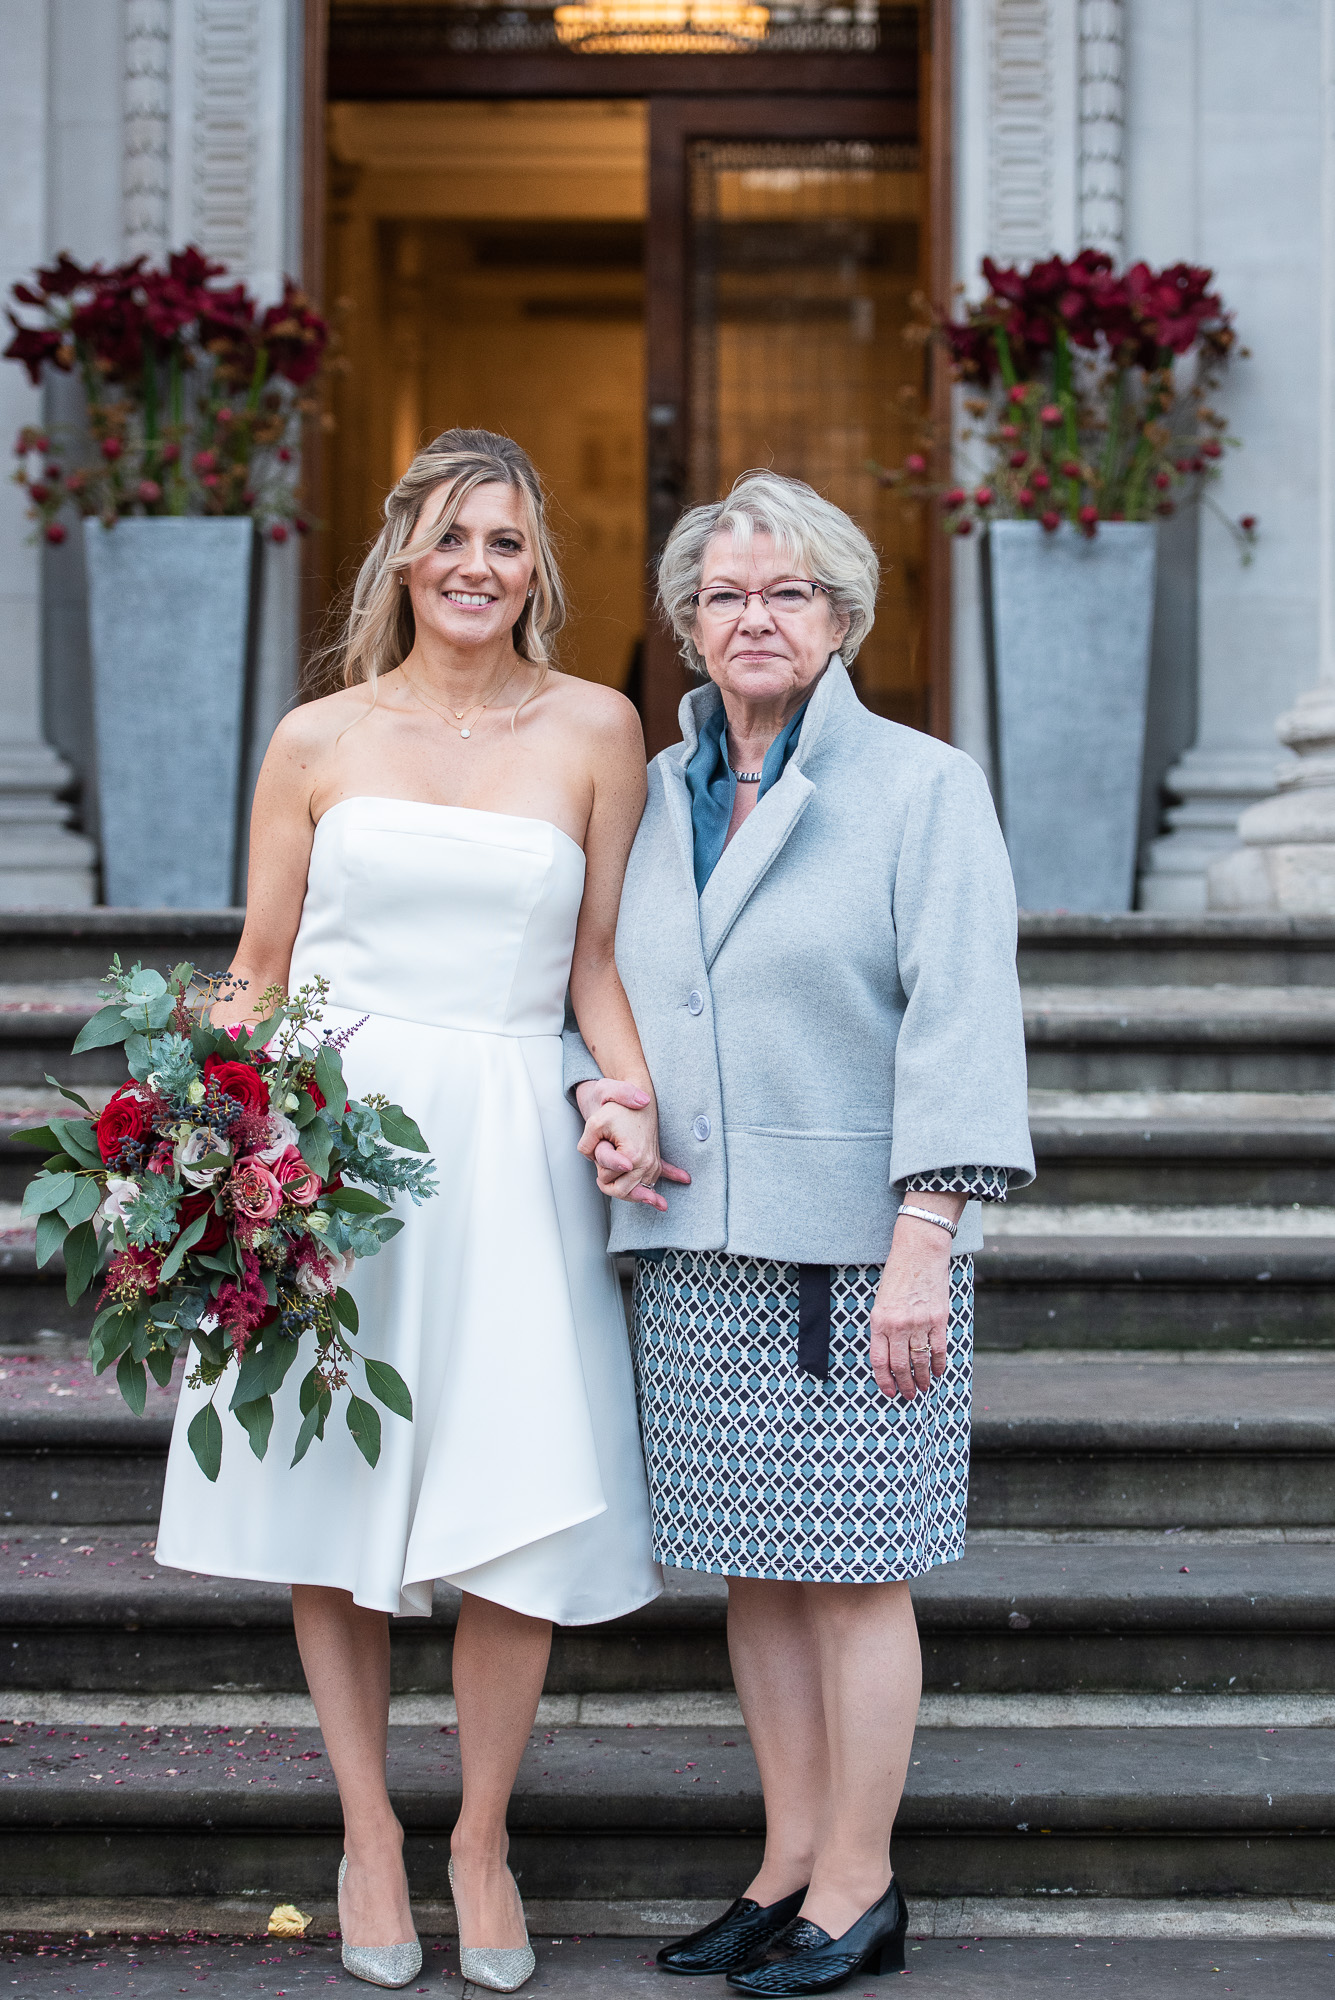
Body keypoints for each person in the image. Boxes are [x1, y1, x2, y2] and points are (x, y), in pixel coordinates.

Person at [155, 429, 673, 1994]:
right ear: (400, 554)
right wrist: (204, 1155)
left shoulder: (598, 728)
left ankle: (480, 1839)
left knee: (513, 1501)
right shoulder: (317, 737)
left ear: (538, 569)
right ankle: (370, 1829)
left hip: (511, 1141)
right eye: (451, 537)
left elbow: (596, 965)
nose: (477, 567)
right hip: (331, 1143)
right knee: (335, 1487)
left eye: (507, 542)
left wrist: (628, 1098)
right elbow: (259, 961)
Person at [568, 471, 1034, 1996]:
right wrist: (606, 1095)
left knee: (853, 1569)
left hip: (858, 1249)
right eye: (722, 596)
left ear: (841, 619)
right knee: (754, 1570)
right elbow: (607, 991)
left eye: (785, 595)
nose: (751, 618)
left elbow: (963, 1022)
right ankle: (783, 1865)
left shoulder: (920, 785)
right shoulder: (656, 783)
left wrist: (929, 1239)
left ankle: (861, 1882)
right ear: (689, 627)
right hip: (693, 1235)